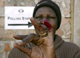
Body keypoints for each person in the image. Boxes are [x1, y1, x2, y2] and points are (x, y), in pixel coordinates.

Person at [8, 0, 80, 58]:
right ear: (33, 22)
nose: (44, 22)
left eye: (51, 17)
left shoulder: (73, 51)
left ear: (58, 23)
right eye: (39, 17)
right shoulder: (17, 52)